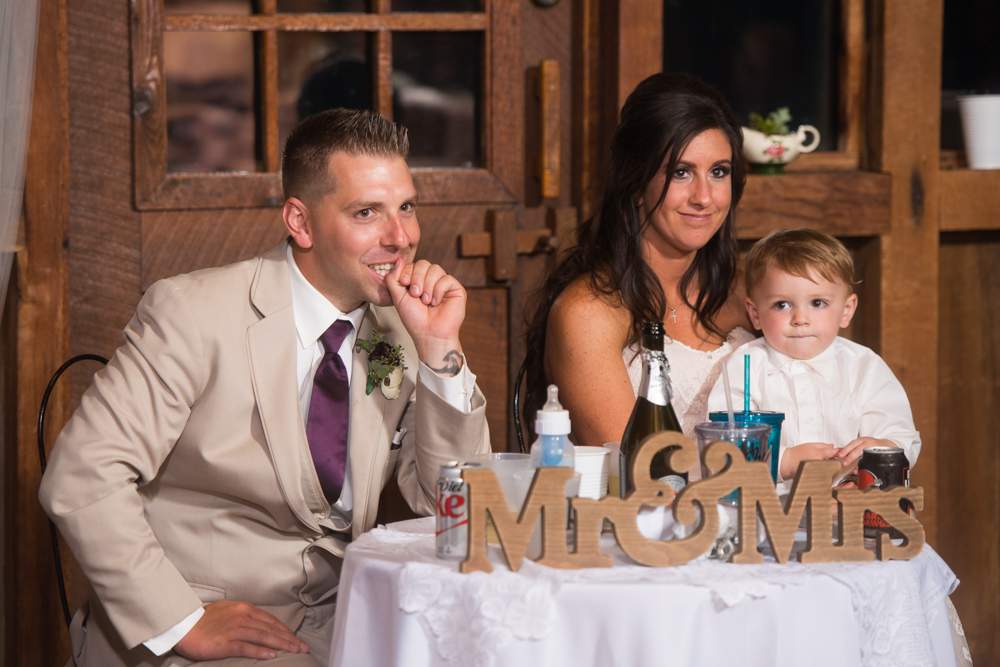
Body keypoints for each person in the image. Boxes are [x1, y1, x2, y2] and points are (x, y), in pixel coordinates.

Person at [38, 109, 491, 666]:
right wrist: (182, 621)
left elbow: (460, 510)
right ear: (299, 222)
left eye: (407, 207)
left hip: (347, 618)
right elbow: (81, 476)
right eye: (367, 212)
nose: (401, 237)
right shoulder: (192, 313)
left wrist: (441, 351)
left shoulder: (401, 328)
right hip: (198, 631)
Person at [522, 72, 754, 454]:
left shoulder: (748, 291)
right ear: (634, 185)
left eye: (718, 172)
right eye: (681, 172)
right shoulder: (588, 314)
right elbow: (642, 474)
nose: (704, 197)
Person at [708, 228, 920, 492]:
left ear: (846, 311)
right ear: (755, 314)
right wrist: (785, 460)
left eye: (817, 303)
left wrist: (880, 451)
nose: (800, 318)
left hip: (848, 507)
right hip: (767, 510)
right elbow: (725, 443)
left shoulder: (864, 366)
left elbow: (901, 435)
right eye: (782, 305)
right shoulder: (745, 366)